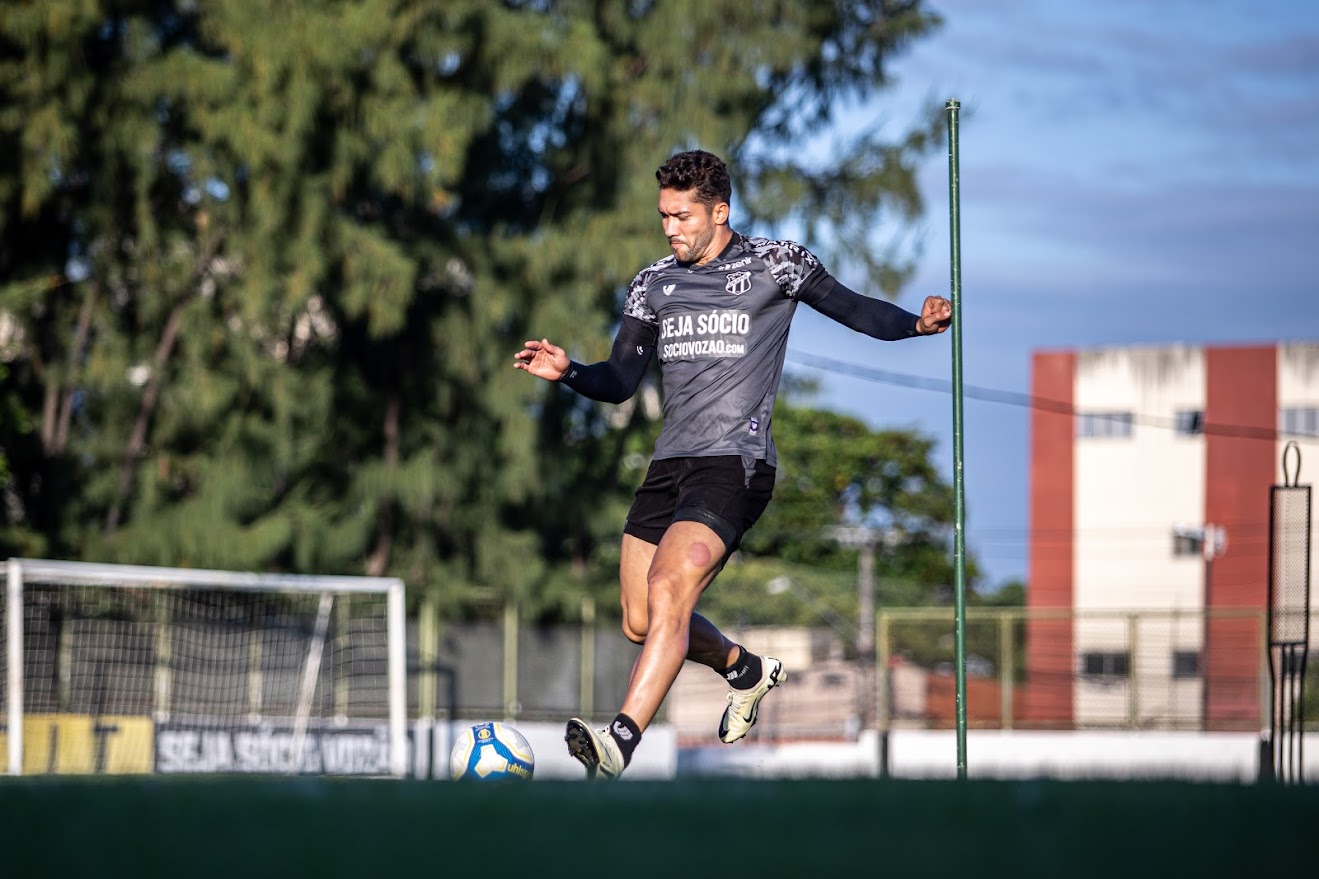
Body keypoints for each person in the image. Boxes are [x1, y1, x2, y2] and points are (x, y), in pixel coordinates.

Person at [514, 149, 951, 780]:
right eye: (664, 216)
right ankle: (745, 670)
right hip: (669, 467)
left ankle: (619, 740)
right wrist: (570, 371)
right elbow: (619, 381)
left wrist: (915, 322)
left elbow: (858, 311)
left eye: (683, 216)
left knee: (670, 591)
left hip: (735, 463)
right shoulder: (652, 284)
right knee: (642, 620)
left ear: (720, 211)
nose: (671, 229)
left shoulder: (777, 263)